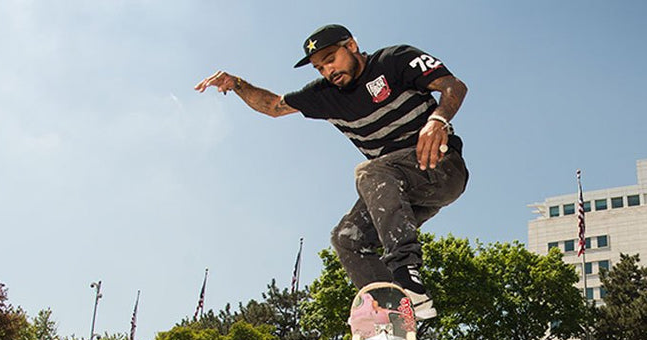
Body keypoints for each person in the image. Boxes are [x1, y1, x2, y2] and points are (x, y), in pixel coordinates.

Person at [195, 24, 469, 320]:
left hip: (441, 170)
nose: (328, 71)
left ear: (351, 46)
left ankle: (407, 277)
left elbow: (454, 85)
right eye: (320, 67)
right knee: (347, 239)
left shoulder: (394, 60)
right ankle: (394, 321)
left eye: (331, 59)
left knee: (370, 171)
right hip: (396, 192)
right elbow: (273, 106)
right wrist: (236, 83)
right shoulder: (324, 95)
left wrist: (437, 120)